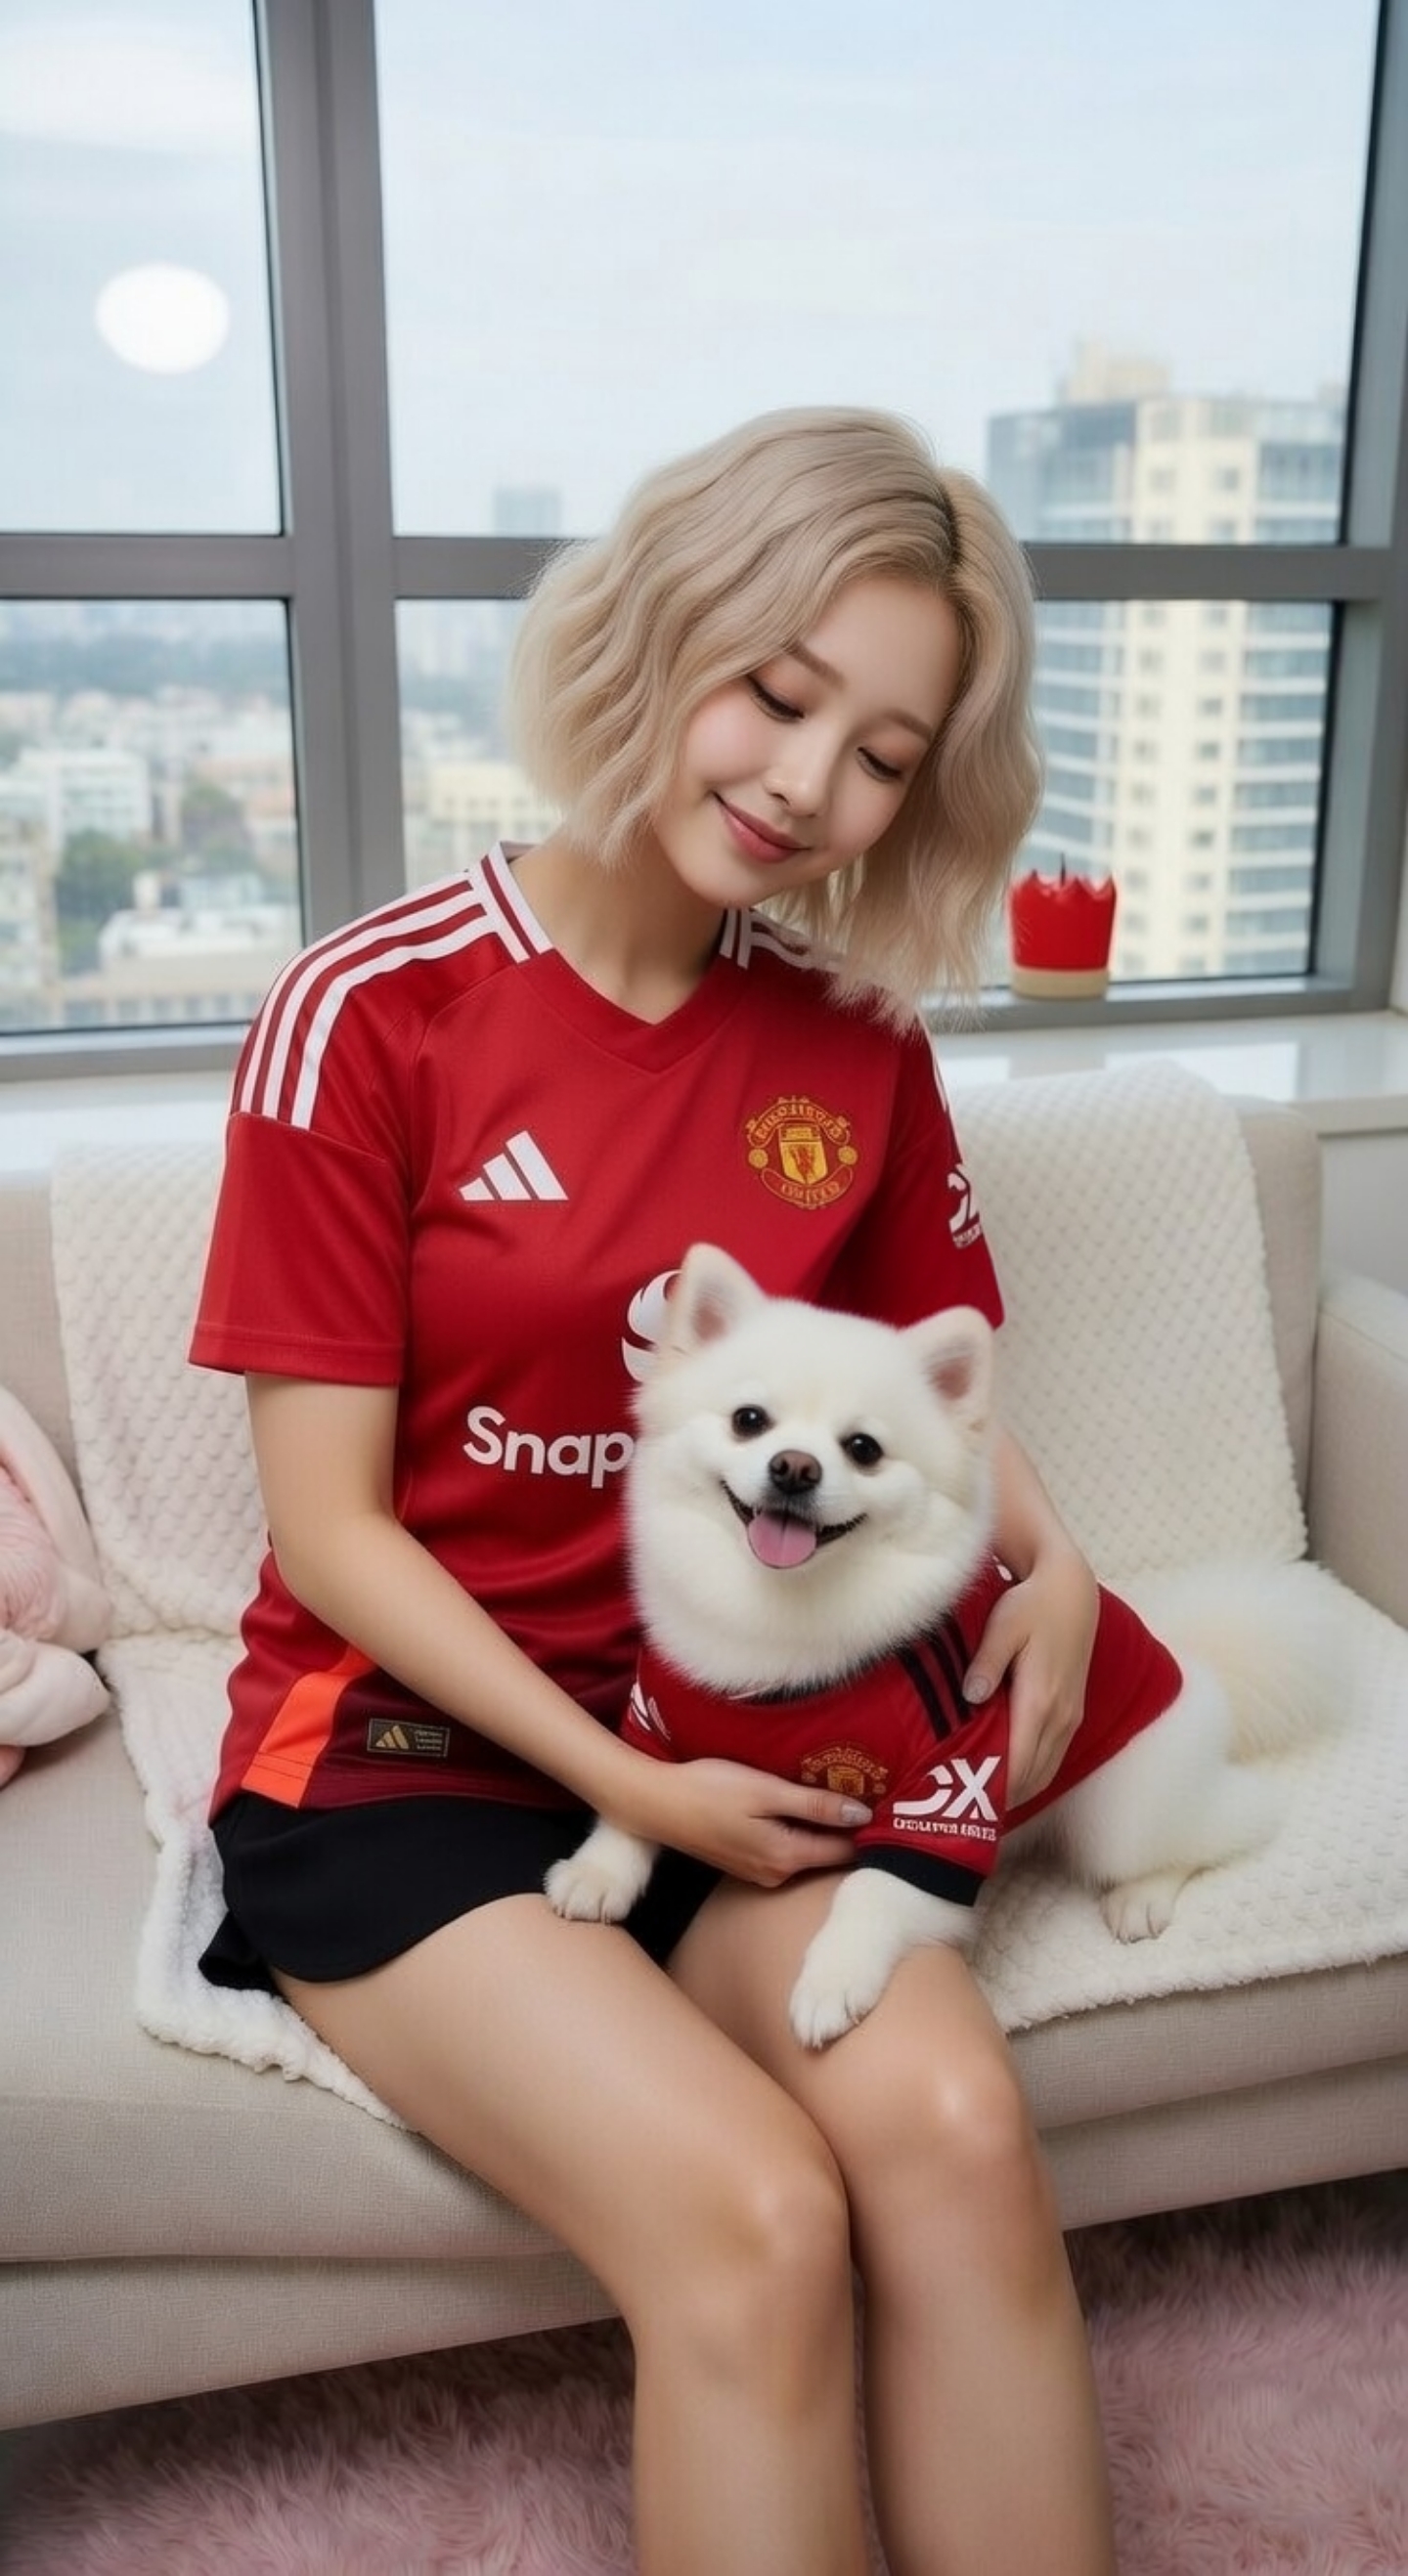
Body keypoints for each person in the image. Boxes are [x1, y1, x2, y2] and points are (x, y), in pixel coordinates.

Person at [192, 407, 1117, 2576]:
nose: (807, 786)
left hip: (742, 1728)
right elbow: (333, 1532)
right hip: (407, 1765)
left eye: (881, 755)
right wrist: (635, 1787)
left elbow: (920, 1407)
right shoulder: (367, 1012)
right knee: (756, 2218)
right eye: (776, 693)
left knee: (958, 2124)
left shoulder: (855, 1040)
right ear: (654, 632)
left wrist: (1059, 1563)